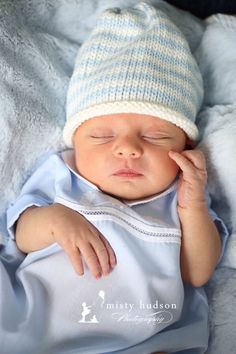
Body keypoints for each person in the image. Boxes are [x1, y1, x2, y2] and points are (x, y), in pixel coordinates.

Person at [5, 2, 228, 354]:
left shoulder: (181, 199)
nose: (128, 149)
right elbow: (21, 235)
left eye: (155, 137)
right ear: (75, 141)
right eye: (102, 136)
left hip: (141, 341)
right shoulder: (65, 176)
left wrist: (194, 205)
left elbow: (196, 274)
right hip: (32, 324)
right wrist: (54, 220)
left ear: (185, 146)